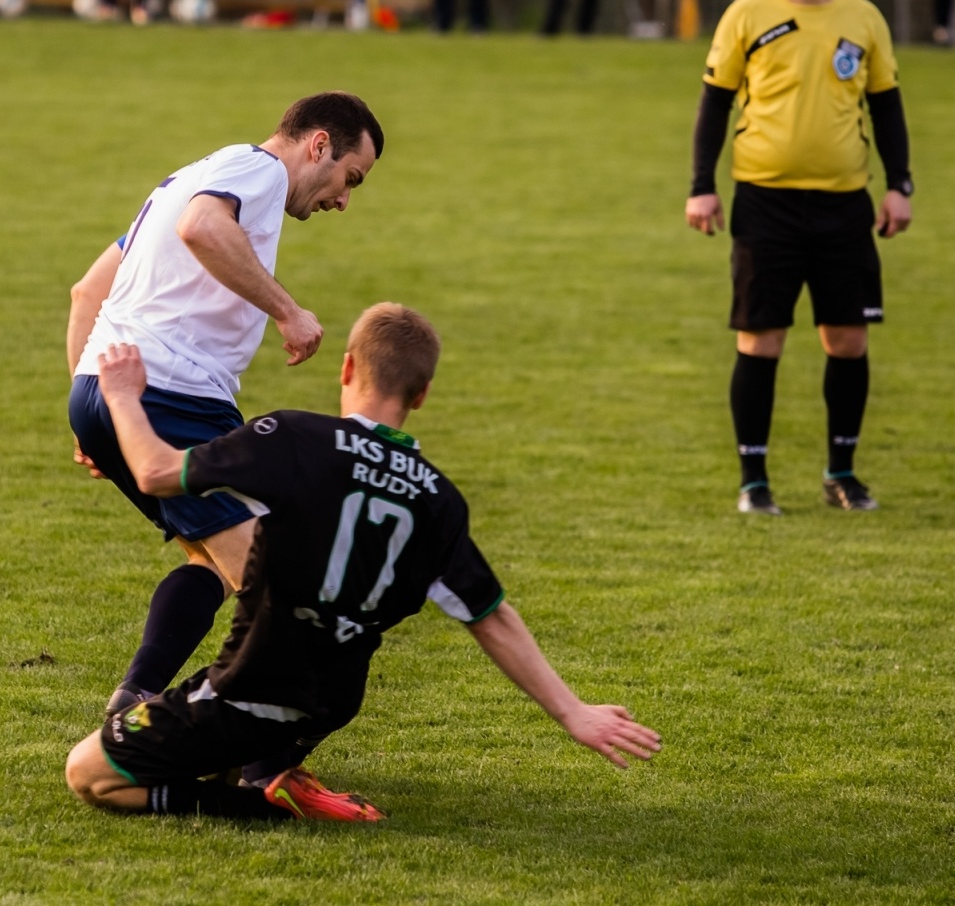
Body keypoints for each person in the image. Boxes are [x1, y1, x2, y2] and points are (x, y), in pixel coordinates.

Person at [65, 304, 663, 821]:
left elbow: (155, 473)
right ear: (422, 396)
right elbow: (492, 616)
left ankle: (261, 807)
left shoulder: (293, 437)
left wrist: (119, 396)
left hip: (250, 691)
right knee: (247, 737)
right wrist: (573, 712)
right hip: (327, 705)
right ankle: (266, 772)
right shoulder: (439, 498)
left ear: (347, 368)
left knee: (90, 774)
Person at [67, 92, 384, 720]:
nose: (344, 199)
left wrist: (96, 408)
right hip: (172, 396)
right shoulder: (259, 170)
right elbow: (203, 227)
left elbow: (87, 293)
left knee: (208, 559)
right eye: (351, 178)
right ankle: (229, 745)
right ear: (319, 145)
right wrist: (288, 311)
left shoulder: (183, 179)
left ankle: (137, 699)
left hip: (106, 393)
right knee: (273, 588)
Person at [685, 0, 914, 516]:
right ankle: (753, 481)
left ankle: (842, 472)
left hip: (845, 206)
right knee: (761, 340)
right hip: (766, 204)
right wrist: (701, 184)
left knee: (847, 339)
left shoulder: (864, 19)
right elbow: (714, 104)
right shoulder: (747, 14)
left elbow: (887, 108)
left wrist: (900, 184)